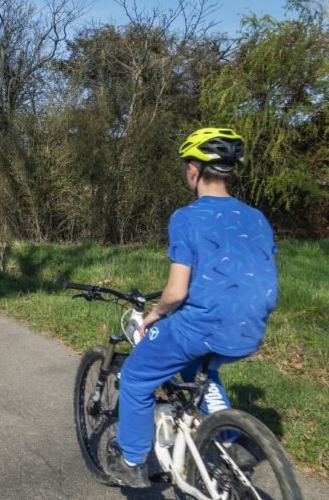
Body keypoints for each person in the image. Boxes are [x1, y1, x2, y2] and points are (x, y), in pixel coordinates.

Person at [106, 128, 279, 488]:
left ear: (193, 169)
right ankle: (233, 441)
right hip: (249, 330)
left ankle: (131, 460)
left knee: (137, 377)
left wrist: (154, 315)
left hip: (202, 326)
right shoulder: (257, 217)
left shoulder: (186, 217)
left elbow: (176, 291)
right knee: (200, 367)